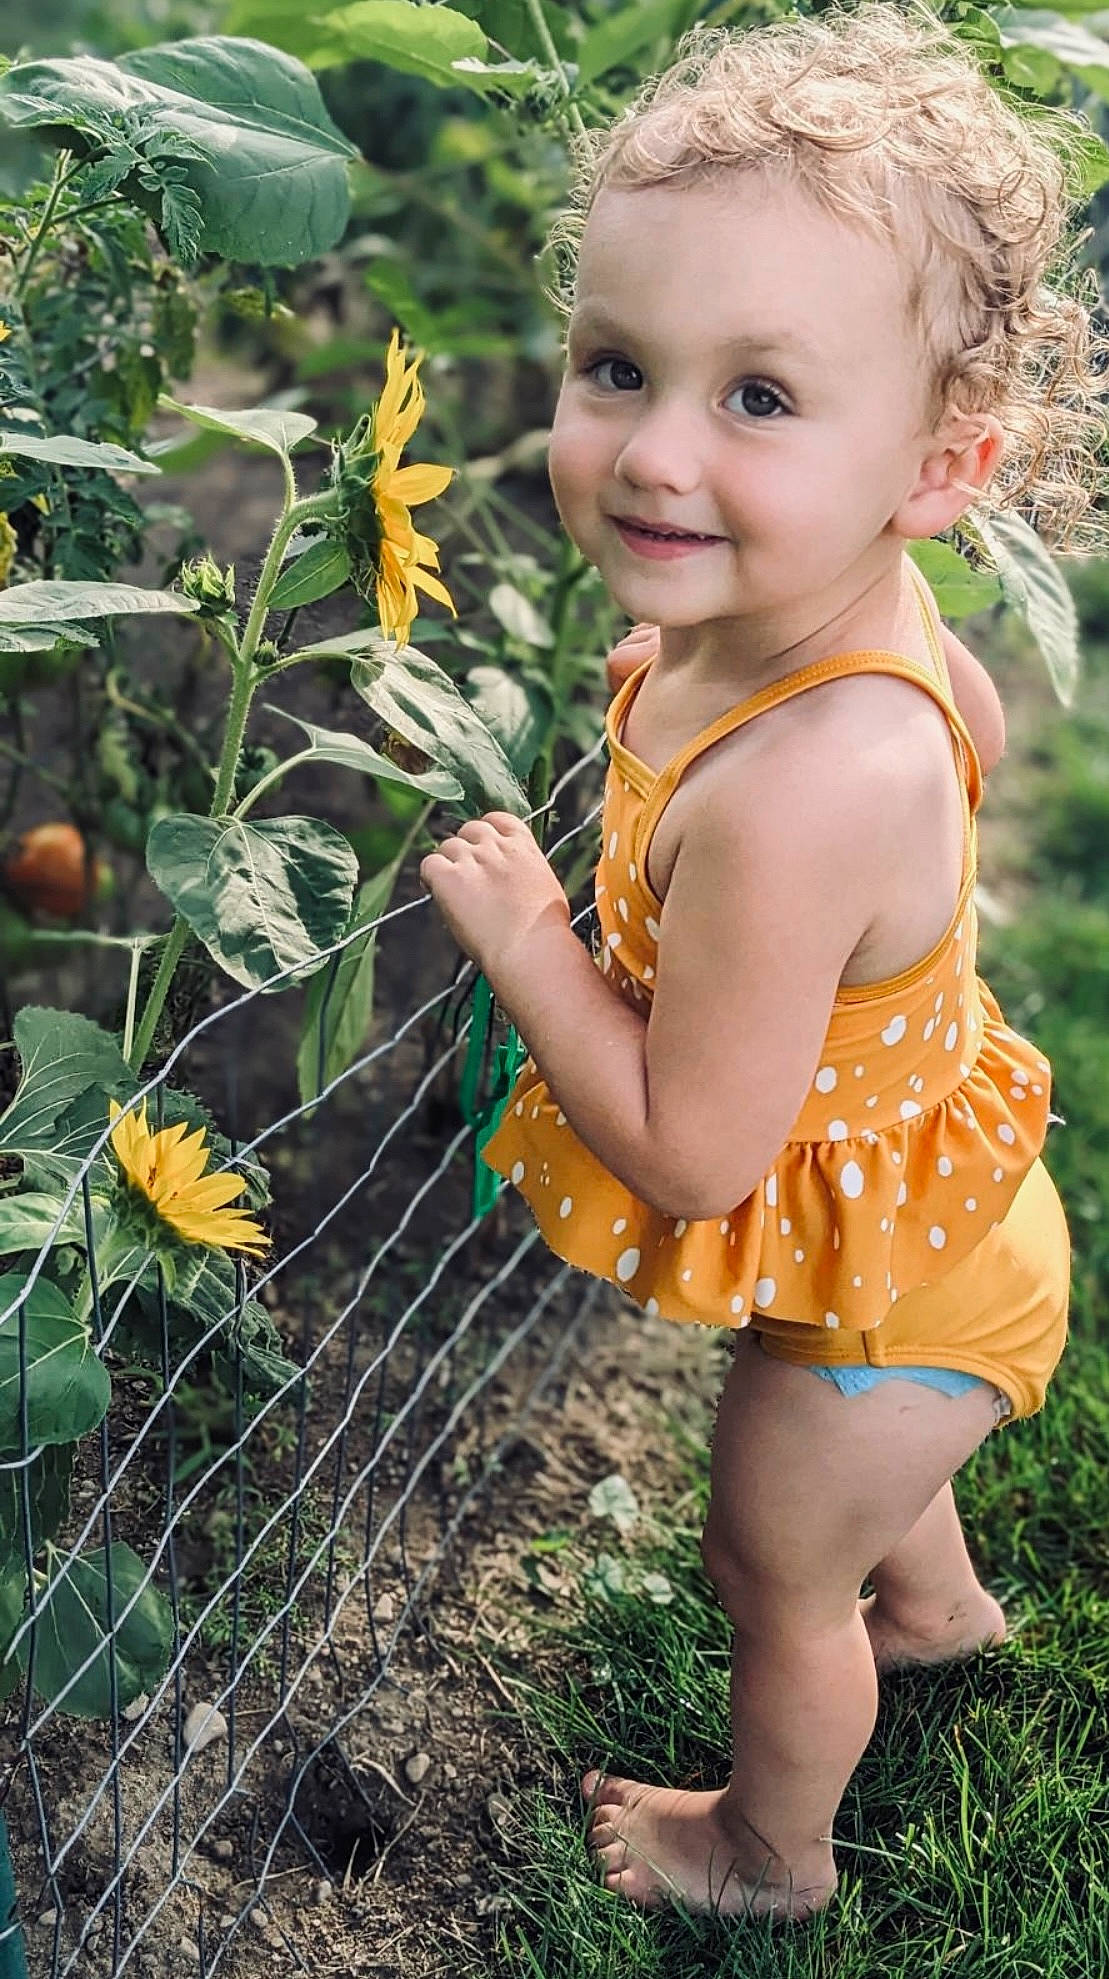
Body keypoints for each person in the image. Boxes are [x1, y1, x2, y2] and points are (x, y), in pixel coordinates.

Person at [419, 0, 1107, 1924]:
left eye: (757, 399)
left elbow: (700, 1152)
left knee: (764, 1569)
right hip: (932, 1201)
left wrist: (531, 939)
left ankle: (767, 1852)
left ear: (935, 469)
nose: (649, 452)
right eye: (617, 364)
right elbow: (952, 713)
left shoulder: (804, 786)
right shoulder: (830, 631)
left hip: (899, 1307)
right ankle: (944, 1604)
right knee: (836, 1513)